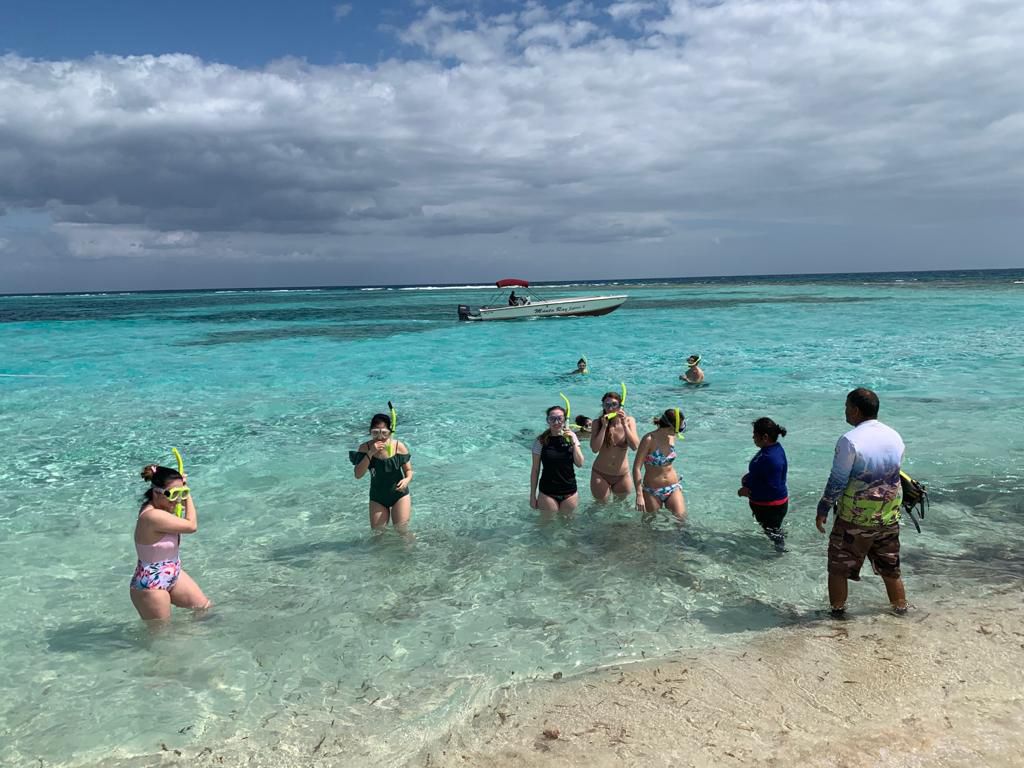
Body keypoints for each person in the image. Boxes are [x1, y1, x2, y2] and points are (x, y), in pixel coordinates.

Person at [815, 388, 908, 616]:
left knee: (838, 568)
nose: (845, 411)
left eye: (846, 407)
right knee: (890, 569)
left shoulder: (849, 440)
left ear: (855, 411)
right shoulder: (894, 435)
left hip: (855, 518)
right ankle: (901, 610)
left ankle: (837, 614)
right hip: (888, 515)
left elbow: (837, 480)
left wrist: (823, 507)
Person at [130, 463, 211, 621]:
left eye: (182, 493)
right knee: (163, 638)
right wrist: (188, 495)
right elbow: (191, 526)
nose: (178, 500)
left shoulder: (162, 510)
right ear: (156, 493)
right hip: (151, 585)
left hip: (173, 574)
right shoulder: (151, 516)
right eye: (174, 494)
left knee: (204, 610)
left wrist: (181, 488)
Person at [350, 413, 414, 531]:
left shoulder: (398, 447)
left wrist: (407, 480)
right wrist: (370, 453)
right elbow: (358, 475)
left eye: (384, 433)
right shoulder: (364, 448)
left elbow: (409, 470)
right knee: (377, 535)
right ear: (370, 431)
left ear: (390, 432)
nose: (380, 437)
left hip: (399, 495)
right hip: (377, 497)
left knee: (402, 531)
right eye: (375, 433)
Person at [738, 417, 789, 552]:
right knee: (773, 529)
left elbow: (772, 487)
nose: (752, 437)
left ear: (765, 437)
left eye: (755, 435)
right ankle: (779, 544)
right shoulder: (774, 449)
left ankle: (780, 554)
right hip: (774, 505)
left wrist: (747, 491)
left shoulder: (771, 458)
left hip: (770, 507)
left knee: (773, 533)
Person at [633, 408, 687, 521]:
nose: (680, 431)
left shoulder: (672, 437)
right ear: (671, 426)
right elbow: (637, 468)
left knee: (681, 521)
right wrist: (639, 495)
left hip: (673, 487)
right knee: (651, 526)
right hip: (652, 491)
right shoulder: (649, 439)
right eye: (680, 428)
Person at [530, 405, 585, 514]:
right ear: (548, 421)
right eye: (552, 419)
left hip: (569, 491)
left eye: (560, 418)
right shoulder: (541, 441)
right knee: (547, 526)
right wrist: (532, 495)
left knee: (568, 526)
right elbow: (535, 470)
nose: (556, 422)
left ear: (564, 420)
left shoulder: (571, 437)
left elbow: (580, 463)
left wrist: (573, 442)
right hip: (547, 492)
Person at [589, 390, 640, 501]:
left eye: (614, 404)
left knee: (620, 508)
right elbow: (594, 449)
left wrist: (624, 425)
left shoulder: (630, 421)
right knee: (600, 507)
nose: (610, 408)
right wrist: (603, 427)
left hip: (622, 475)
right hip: (600, 474)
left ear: (620, 406)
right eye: (607, 405)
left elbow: (635, 446)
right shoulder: (597, 423)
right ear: (603, 406)